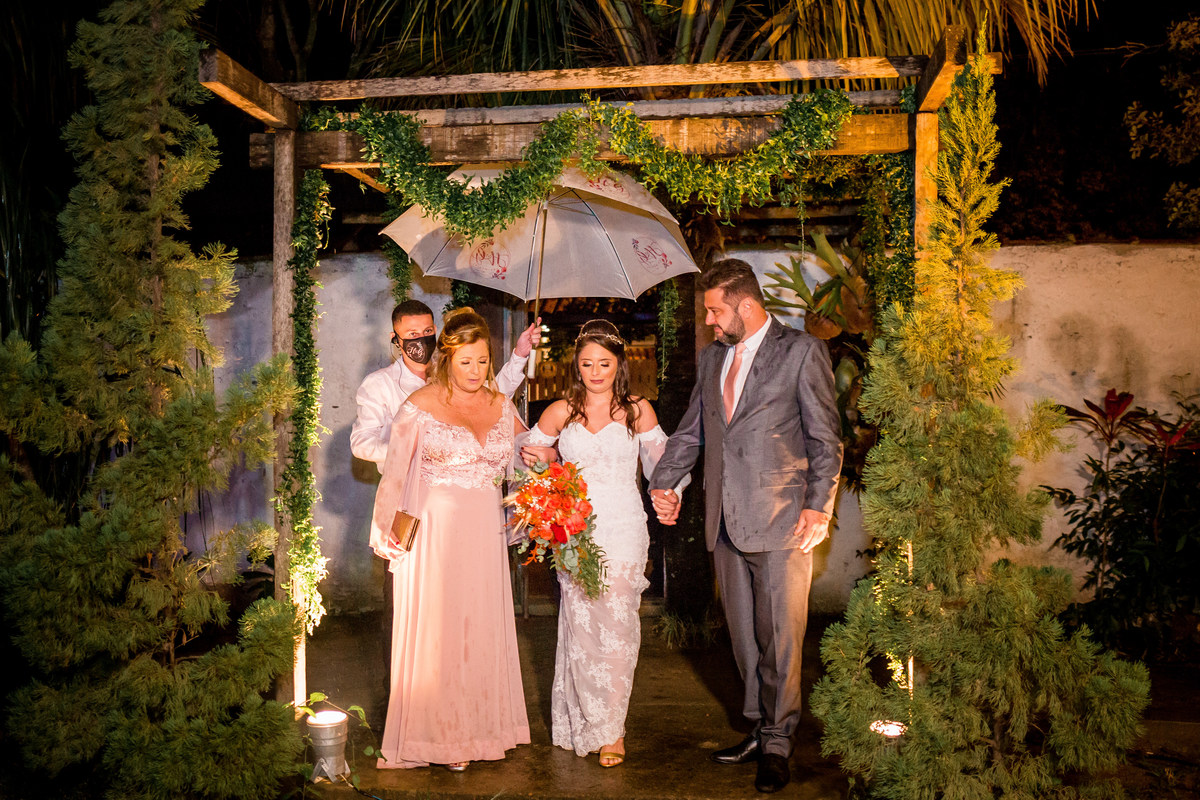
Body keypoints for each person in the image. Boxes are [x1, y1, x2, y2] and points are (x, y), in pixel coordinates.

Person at [649, 259, 842, 794]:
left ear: (746, 304)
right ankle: (761, 728)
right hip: (725, 524)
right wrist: (666, 482)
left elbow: (826, 439)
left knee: (780, 638)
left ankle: (779, 743)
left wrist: (819, 506)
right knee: (742, 640)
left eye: (715, 310)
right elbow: (691, 434)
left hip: (784, 521)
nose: (710, 321)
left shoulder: (802, 352)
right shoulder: (713, 360)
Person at [519, 320, 689, 768]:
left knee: (618, 627)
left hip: (625, 527)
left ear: (619, 365)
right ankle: (583, 721)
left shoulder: (638, 410)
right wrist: (547, 462)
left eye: (605, 363)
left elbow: (664, 466)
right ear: (576, 365)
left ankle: (613, 730)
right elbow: (529, 464)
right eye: (587, 363)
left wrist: (670, 496)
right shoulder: (560, 411)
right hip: (574, 530)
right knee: (581, 625)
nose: (596, 371)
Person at [369, 308, 530, 771]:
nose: (477, 372)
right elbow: (395, 476)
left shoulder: (502, 406)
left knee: (479, 628)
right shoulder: (418, 405)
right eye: (467, 363)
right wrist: (386, 533)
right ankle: (441, 738)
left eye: (483, 362)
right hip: (436, 538)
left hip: (484, 534)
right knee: (441, 635)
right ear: (447, 359)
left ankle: (481, 729)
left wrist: (538, 474)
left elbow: (524, 462)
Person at [351, 298, 540, 469]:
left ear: (435, 330)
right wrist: (408, 450)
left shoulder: (450, 371)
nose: (421, 339)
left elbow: (490, 397)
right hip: (404, 484)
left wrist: (519, 355)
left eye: (427, 331)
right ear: (396, 339)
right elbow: (361, 442)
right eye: (412, 334)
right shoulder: (380, 383)